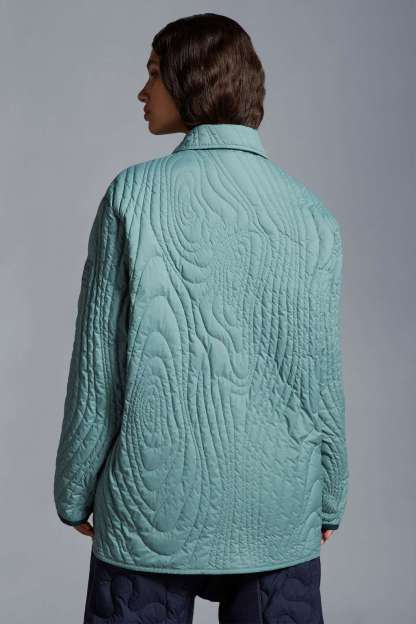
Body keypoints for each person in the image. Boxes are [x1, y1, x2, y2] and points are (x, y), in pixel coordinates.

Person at [53, 12, 349, 624]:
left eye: (153, 74)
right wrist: (330, 495)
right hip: (279, 505)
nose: (142, 92)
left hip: (150, 503)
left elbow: (98, 368)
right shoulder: (313, 215)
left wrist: (73, 490)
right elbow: (319, 376)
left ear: (190, 80)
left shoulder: (133, 196)